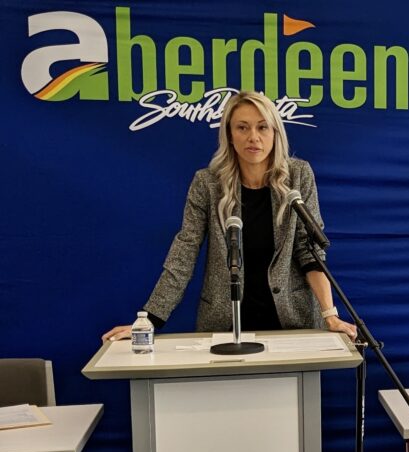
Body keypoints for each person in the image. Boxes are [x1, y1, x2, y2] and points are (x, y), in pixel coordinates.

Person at [102, 91, 356, 342]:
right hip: (224, 325)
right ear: (229, 135)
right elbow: (185, 251)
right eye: (242, 128)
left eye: (262, 127)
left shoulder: (299, 175)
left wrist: (329, 315)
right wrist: (149, 319)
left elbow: (309, 251)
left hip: (291, 321)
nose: (253, 137)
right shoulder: (207, 183)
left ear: (276, 133)